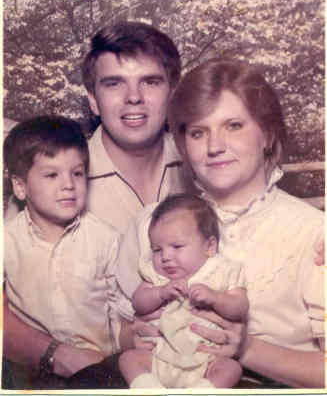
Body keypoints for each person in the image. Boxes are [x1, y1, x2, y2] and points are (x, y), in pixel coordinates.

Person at [116, 59, 325, 388]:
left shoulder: (313, 233)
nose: (215, 147)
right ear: (184, 146)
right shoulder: (151, 222)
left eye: (234, 126)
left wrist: (247, 348)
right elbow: (119, 330)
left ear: (267, 134)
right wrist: (134, 335)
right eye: (198, 133)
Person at [3, 115, 130, 389]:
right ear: (20, 186)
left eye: (77, 173)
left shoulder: (105, 239)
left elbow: (120, 315)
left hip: (99, 368)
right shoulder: (7, 240)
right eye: (51, 175)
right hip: (29, 372)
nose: (69, 185)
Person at [119, 193, 248, 388]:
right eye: (156, 249)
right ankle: (149, 389)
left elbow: (240, 307)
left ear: (210, 247)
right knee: (128, 359)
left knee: (231, 369)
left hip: (206, 357)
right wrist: (159, 293)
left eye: (177, 246)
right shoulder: (155, 275)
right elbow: (138, 302)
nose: (165, 257)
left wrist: (216, 298)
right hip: (159, 354)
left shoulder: (222, 270)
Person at [82, 21, 185, 233]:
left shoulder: (203, 165)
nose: (134, 97)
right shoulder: (57, 180)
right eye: (114, 84)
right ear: (93, 100)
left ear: (172, 93)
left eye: (150, 82)